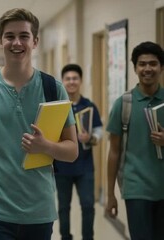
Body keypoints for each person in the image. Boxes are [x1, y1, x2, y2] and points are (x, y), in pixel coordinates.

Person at [0, 8, 78, 240]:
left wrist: (46, 147)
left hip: (39, 212)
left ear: (35, 41)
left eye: (24, 36)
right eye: (10, 36)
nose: (16, 42)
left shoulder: (53, 89)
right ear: (0, 41)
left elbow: (72, 151)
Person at [106, 41, 164, 240]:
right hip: (135, 188)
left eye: (153, 63)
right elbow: (114, 151)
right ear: (135, 68)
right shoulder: (124, 103)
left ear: (161, 67)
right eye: (142, 64)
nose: (147, 68)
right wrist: (110, 194)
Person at [54, 64, 103, 240]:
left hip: (85, 167)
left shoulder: (89, 106)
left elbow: (99, 131)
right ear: (63, 81)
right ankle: (65, 236)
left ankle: (87, 237)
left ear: (80, 81)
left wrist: (90, 138)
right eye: (68, 79)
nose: (71, 82)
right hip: (62, 167)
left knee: (88, 205)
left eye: (75, 78)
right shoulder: (56, 107)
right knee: (63, 207)